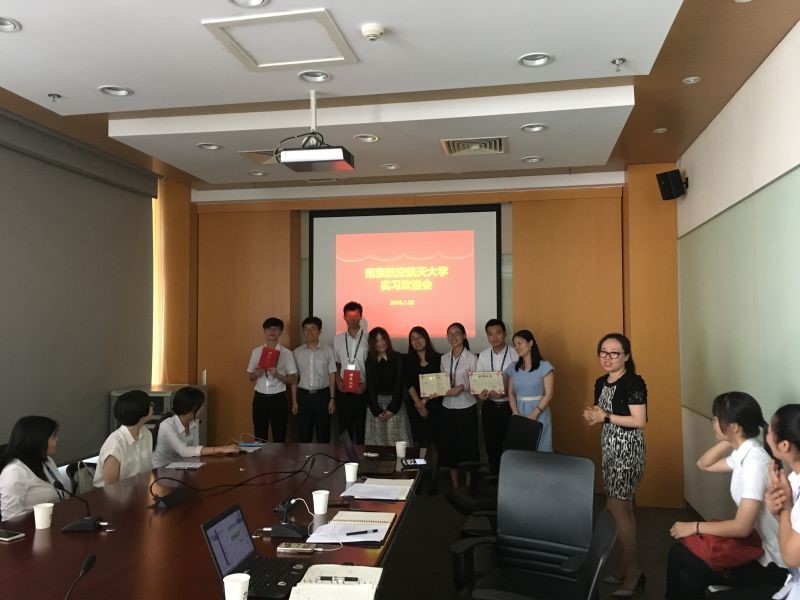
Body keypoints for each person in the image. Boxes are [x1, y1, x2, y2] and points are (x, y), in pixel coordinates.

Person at [665, 392, 787, 599]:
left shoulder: (755, 464)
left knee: (681, 559)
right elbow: (704, 464)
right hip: (754, 546)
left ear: (734, 426)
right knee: (686, 574)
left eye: (716, 419)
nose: (713, 423)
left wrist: (694, 527)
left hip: (770, 561)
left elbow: (741, 527)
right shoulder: (745, 452)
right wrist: (731, 438)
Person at [582, 333, 647, 597]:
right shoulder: (601, 381)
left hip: (627, 450)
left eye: (614, 353)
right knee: (624, 510)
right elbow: (601, 413)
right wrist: (594, 416)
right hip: (609, 448)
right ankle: (623, 567)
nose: (607, 358)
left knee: (617, 509)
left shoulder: (633, 382)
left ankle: (634, 572)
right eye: (603, 352)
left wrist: (605, 417)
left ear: (626, 356)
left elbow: (638, 420)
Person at [0, 416, 71, 520]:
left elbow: (59, 494)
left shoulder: (48, 462)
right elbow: (9, 519)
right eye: (53, 436)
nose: (57, 439)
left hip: (54, 519)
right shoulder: (14, 472)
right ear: (39, 440)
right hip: (30, 527)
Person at [152, 387, 239, 469]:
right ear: (190, 409)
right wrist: (221, 449)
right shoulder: (167, 425)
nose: (203, 408)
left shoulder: (194, 422)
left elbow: (194, 449)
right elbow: (184, 451)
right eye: (200, 406)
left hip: (183, 467)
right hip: (162, 470)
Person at [764, 404, 800, 600]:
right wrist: (778, 511)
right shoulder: (794, 478)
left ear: (784, 445)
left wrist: (785, 509)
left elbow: (791, 556)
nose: (766, 435)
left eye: (769, 431)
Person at [475, 319, 519, 473]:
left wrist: (507, 392)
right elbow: (478, 382)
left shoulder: (515, 354)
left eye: (498, 333)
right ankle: (494, 477)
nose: (494, 337)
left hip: (510, 406)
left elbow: (521, 381)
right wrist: (481, 394)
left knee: (512, 445)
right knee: (491, 444)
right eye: (490, 334)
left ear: (505, 333)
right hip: (490, 406)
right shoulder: (483, 355)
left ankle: (511, 478)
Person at [439, 322, 479, 488]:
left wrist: (462, 387)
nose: (453, 337)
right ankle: (455, 484)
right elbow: (441, 380)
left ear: (464, 336)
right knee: (450, 446)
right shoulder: (444, 358)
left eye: (456, 333)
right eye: (450, 334)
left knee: (468, 445)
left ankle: (469, 483)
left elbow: (476, 383)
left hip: (467, 406)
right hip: (447, 406)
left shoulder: (472, 358)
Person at [246, 317, 298, 443]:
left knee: (279, 436)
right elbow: (250, 377)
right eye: (269, 329)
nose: (272, 332)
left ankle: (279, 457)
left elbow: (292, 379)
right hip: (260, 398)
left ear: (281, 332)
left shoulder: (287, 353)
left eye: (276, 329)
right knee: (259, 436)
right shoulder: (257, 352)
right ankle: (260, 457)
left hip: (278, 398)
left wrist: (278, 375)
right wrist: (256, 373)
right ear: (264, 331)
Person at [405, 326, 442, 492]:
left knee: (434, 444)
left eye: (419, 337)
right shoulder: (408, 361)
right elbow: (408, 384)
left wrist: (424, 402)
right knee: (417, 444)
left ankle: (434, 481)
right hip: (414, 406)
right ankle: (417, 482)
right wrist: (418, 403)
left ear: (426, 338)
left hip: (434, 405)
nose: (417, 341)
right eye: (413, 338)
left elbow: (441, 383)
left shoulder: (438, 359)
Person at [506, 329, 554, 452]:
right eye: (515, 344)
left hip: (539, 411)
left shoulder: (544, 366)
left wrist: (535, 414)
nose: (517, 347)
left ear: (530, 343)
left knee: (540, 446)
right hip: (519, 412)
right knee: (521, 448)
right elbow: (511, 393)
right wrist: (515, 412)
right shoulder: (513, 367)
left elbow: (549, 394)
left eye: (520, 343)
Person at [94, 390, 154, 487]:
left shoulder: (147, 434)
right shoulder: (115, 443)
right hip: (112, 494)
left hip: (140, 491)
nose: (152, 407)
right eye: (150, 404)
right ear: (140, 409)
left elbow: (147, 473)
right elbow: (111, 487)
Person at [292, 316, 337, 443]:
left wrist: (332, 399)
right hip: (303, 397)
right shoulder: (297, 352)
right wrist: (294, 401)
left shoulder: (328, 351)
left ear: (319, 331)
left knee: (324, 433)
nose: (309, 332)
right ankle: (304, 457)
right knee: (304, 435)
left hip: (322, 396)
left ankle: (323, 457)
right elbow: (294, 379)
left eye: (313, 328)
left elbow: (332, 375)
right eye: (306, 329)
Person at [364, 327, 411, 446]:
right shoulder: (370, 360)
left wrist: (392, 408)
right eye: (377, 341)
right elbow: (370, 386)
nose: (381, 343)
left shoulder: (397, 358)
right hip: (376, 406)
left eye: (383, 339)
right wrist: (376, 410)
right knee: (377, 443)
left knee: (398, 443)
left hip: (395, 404)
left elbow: (399, 383)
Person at [333, 301, 368, 444]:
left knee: (361, 428)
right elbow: (336, 364)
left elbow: (372, 366)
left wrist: (365, 384)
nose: (352, 320)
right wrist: (338, 381)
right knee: (344, 428)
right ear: (344, 317)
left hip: (362, 389)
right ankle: (345, 456)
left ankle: (361, 457)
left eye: (355, 316)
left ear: (360, 316)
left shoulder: (368, 338)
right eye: (349, 316)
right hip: (343, 389)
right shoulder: (338, 339)